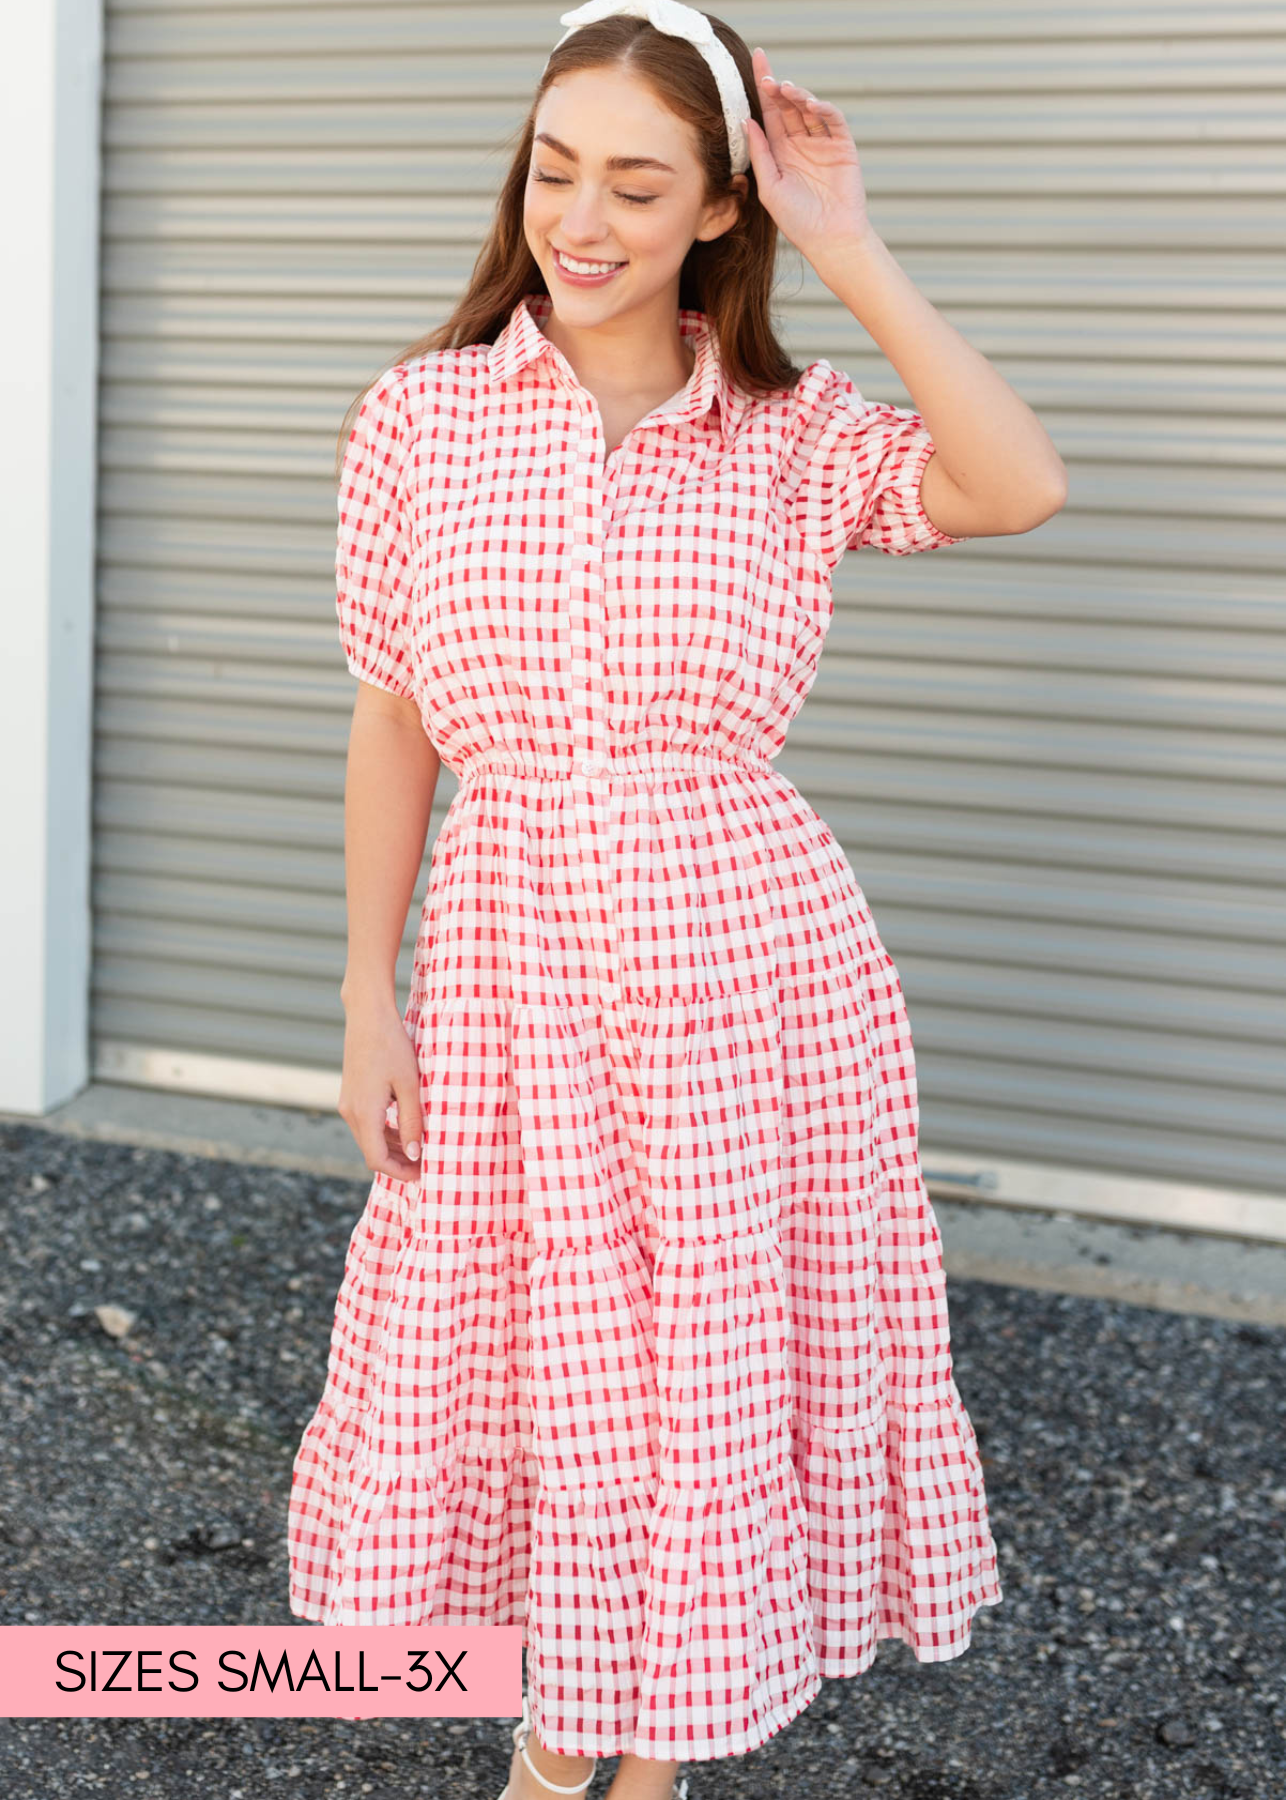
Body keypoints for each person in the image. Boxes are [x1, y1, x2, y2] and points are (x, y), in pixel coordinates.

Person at [287, 6, 1067, 1799]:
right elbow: (392, 719)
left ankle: (658, 1748)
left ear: (721, 209)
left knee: (711, 1349)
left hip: (744, 957)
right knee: (525, 1346)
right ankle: (566, 1743)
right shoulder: (421, 415)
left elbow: (1015, 482)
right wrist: (360, 990)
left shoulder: (789, 435)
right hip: (506, 958)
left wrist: (850, 241)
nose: (585, 216)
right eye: (557, 170)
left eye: (641, 184)